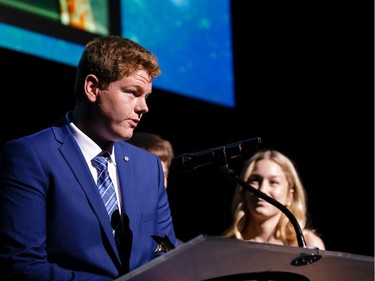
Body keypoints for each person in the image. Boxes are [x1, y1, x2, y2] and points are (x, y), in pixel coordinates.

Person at [0, 35, 177, 280]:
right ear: (92, 88)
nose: (143, 107)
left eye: (146, 96)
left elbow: (165, 247)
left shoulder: (148, 166)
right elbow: (22, 266)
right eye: (133, 92)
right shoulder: (31, 156)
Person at [223, 149, 325, 250]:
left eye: (273, 182)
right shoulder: (224, 247)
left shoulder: (308, 244)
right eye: (255, 180)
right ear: (243, 190)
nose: (262, 189)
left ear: (290, 196)